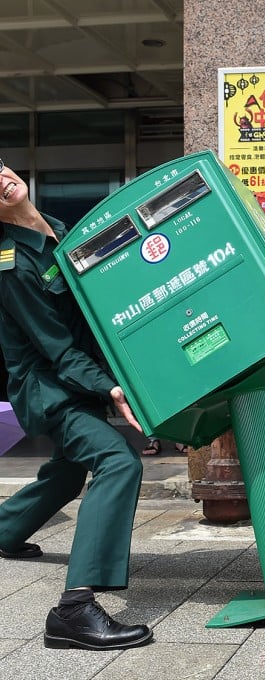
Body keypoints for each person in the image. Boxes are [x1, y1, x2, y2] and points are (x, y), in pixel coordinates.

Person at [0, 159, 154, 650]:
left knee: (68, 470)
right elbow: (57, 349)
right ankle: (73, 609)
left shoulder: (58, 231)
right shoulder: (12, 264)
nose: (1, 179)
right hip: (50, 386)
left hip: (77, 379)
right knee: (116, 460)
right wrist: (110, 387)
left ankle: (5, 530)